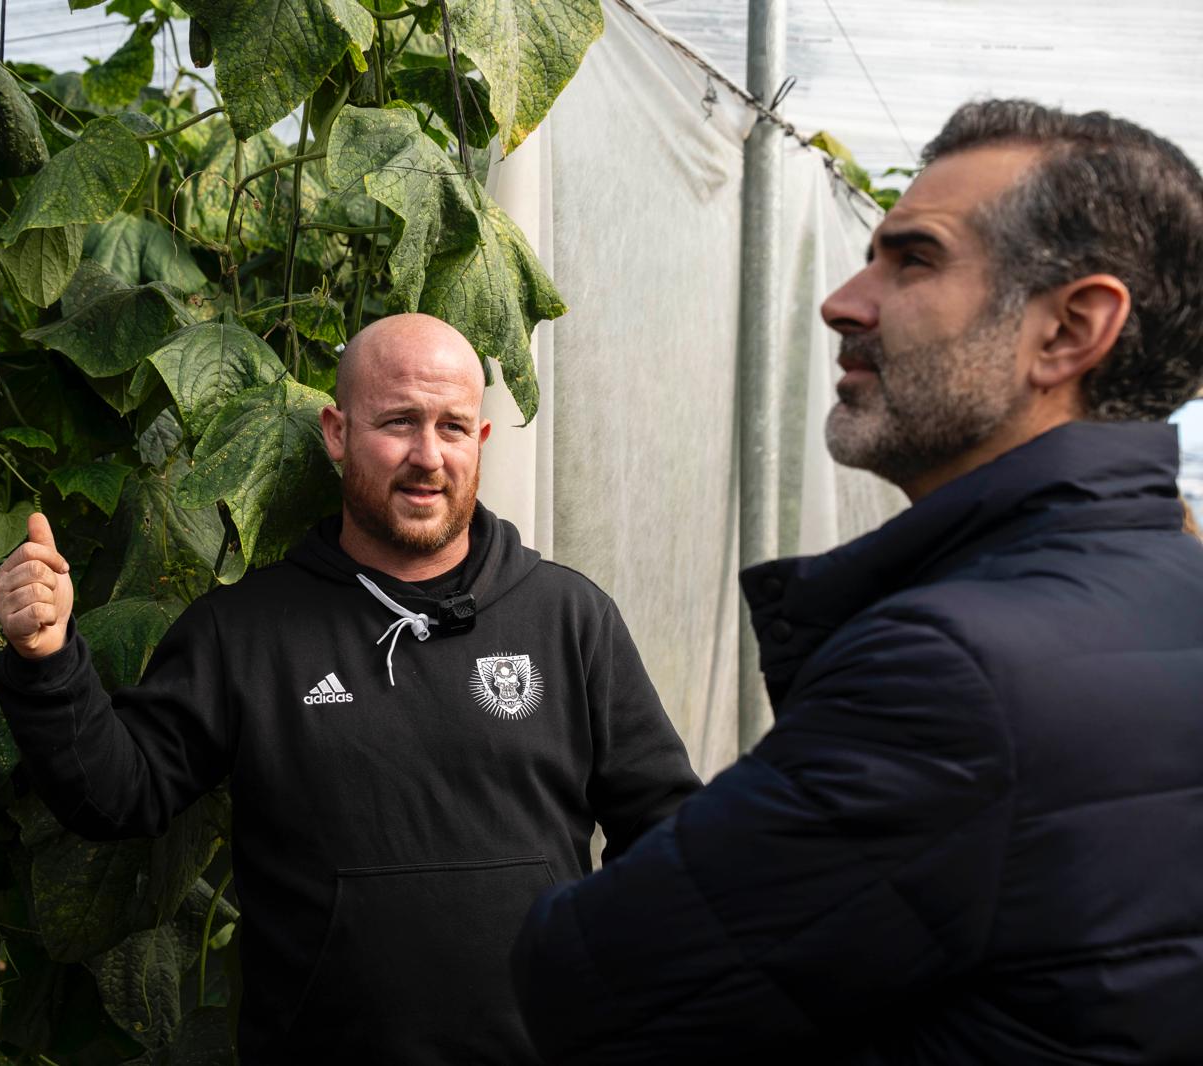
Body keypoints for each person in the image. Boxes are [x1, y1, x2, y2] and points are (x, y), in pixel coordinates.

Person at [512, 99, 1203, 1064]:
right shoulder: (1176, 592)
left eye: (913, 259)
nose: (844, 299)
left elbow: (588, 982)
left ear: (1069, 330)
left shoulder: (952, 674)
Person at [0, 313, 699, 1064]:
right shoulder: (245, 631)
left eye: (453, 427)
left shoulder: (569, 618)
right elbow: (116, 797)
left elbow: (668, 830)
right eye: (398, 422)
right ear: (336, 431)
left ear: (481, 442)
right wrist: (47, 659)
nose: (428, 456)